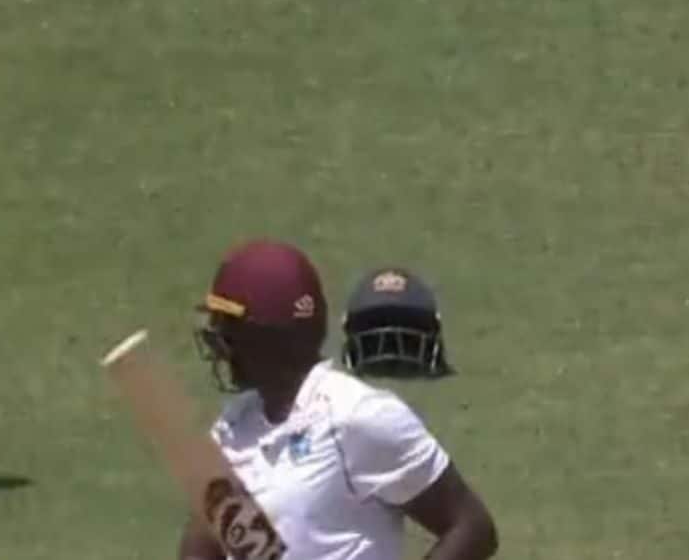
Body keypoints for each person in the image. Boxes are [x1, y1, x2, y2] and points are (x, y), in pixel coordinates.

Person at [180, 240, 498, 560]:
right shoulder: (232, 430)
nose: (218, 339)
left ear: (270, 333)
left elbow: (471, 528)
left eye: (228, 325)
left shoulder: (355, 416)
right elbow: (202, 550)